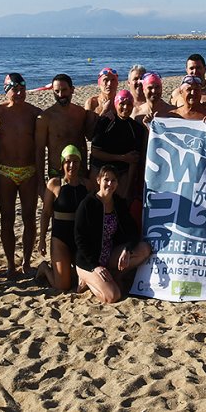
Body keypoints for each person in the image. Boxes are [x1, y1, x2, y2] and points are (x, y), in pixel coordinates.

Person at [74, 164, 153, 304]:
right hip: (88, 261)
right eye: (106, 179)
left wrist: (126, 249)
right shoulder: (88, 204)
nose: (110, 184)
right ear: (98, 180)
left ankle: (116, 275)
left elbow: (132, 230)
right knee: (113, 296)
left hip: (109, 254)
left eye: (114, 180)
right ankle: (87, 280)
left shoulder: (118, 203)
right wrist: (95, 266)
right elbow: (80, 238)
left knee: (145, 249)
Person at [0, 72, 43, 276]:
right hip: (5, 171)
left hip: (29, 171)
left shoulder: (35, 113)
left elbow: (41, 147)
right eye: (15, 89)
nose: (19, 93)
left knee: (29, 218)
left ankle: (26, 263)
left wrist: (41, 177)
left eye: (22, 89)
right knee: (7, 219)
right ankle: (11, 264)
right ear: (6, 91)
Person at [37, 145, 91, 291]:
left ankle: (72, 269)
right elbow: (46, 213)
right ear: (62, 163)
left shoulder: (87, 185)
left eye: (75, 161)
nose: (72, 165)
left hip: (81, 239)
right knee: (63, 286)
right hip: (60, 239)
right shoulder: (54, 184)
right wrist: (42, 239)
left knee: (85, 285)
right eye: (68, 161)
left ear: (80, 163)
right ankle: (44, 268)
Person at [36, 74, 90, 199]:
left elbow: (84, 142)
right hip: (57, 174)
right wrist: (41, 184)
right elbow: (39, 151)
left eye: (64, 90)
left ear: (72, 89)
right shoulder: (45, 118)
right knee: (59, 215)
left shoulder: (80, 113)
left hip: (80, 173)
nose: (60, 95)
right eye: (56, 91)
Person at [90, 89, 146, 198]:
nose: (125, 107)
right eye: (122, 104)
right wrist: (122, 158)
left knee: (120, 201)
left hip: (121, 173)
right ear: (116, 105)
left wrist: (128, 190)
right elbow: (95, 152)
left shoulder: (136, 128)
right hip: (101, 169)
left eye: (129, 104)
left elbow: (133, 161)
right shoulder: (105, 122)